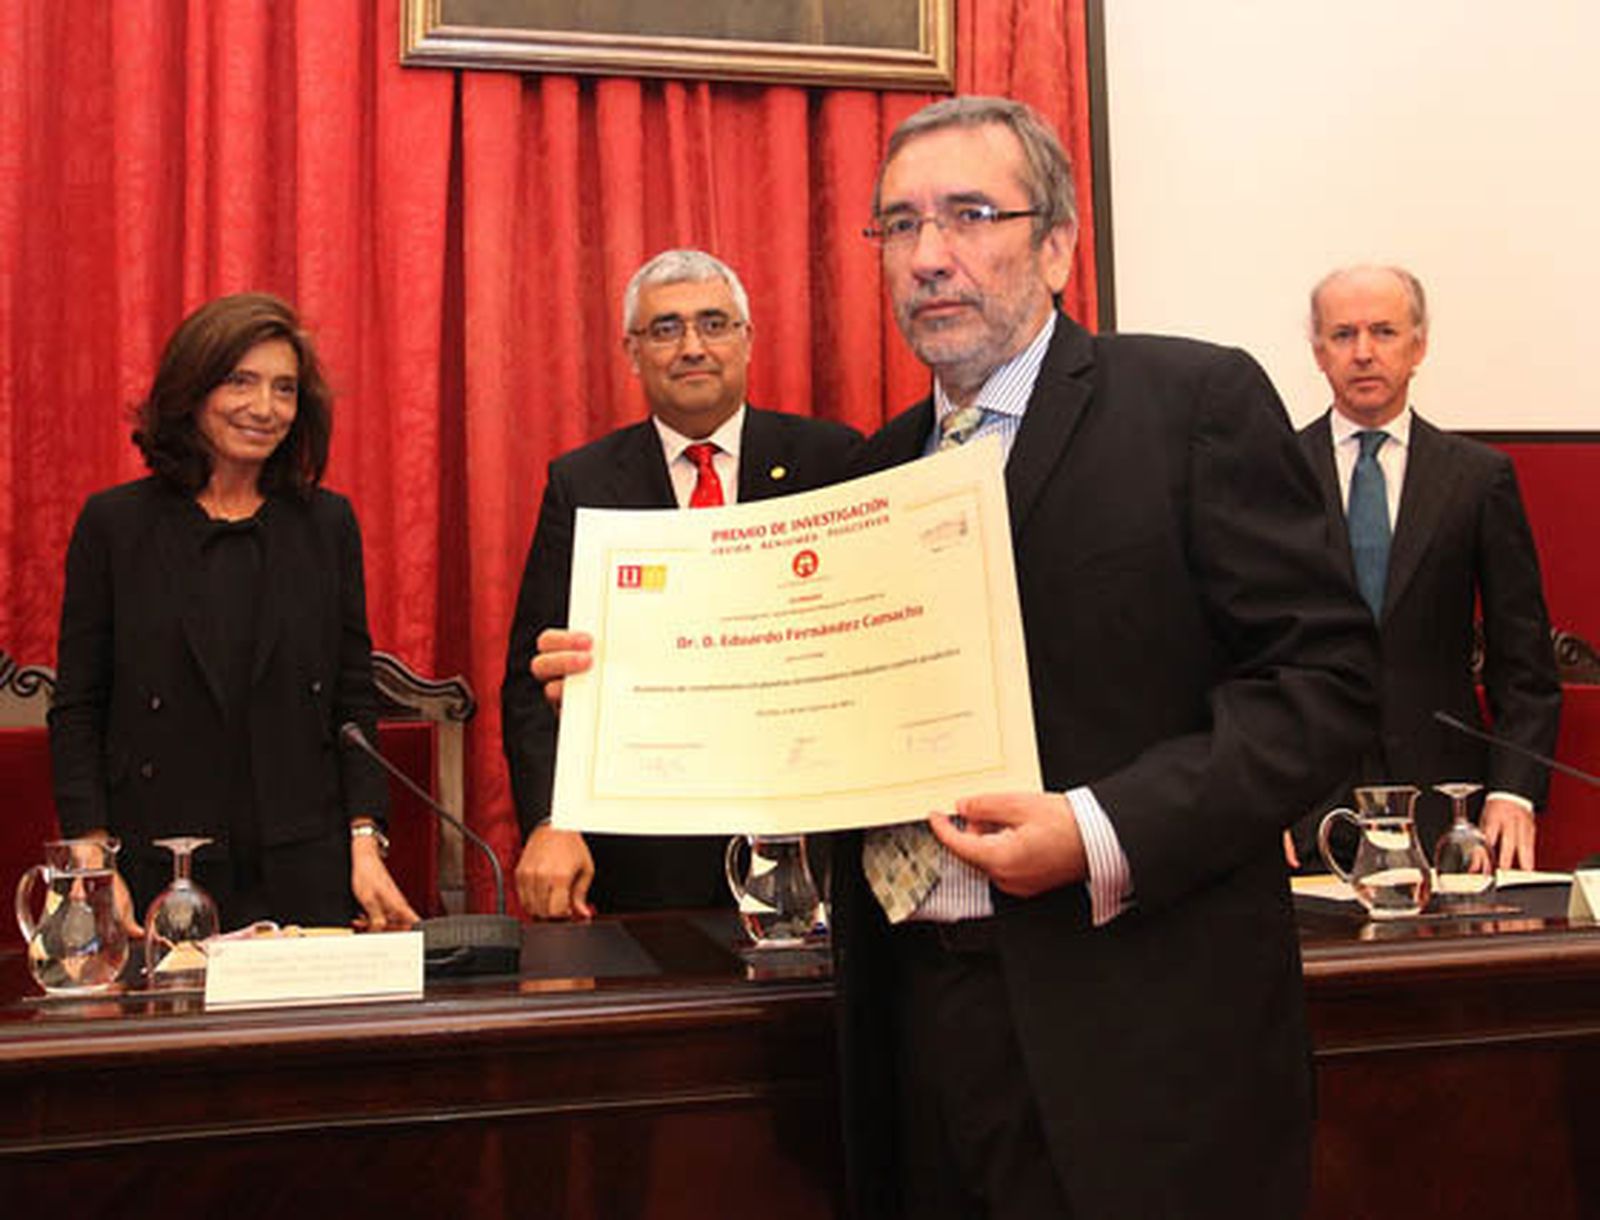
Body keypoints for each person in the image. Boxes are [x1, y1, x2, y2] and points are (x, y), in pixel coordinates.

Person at [532, 101, 1377, 1217]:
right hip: (912, 1032)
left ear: (1059, 245)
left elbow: (1324, 687)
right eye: (899, 225)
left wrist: (1094, 828)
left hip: (1134, 1043)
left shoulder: (1189, 402)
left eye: (970, 215)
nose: (929, 255)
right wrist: (631, 677)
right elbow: (814, 713)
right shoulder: (876, 467)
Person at [502, 249, 860, 921]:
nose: (692, 347)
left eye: (714, 323)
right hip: (644, 858)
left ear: (748, 340)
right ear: (633, 353)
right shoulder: (582, 484)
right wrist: (553, 818)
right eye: (665, 330)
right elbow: (532, 681)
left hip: (815, 847)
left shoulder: (831, 460)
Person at [49, 292, 418, 934]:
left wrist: (365, 843)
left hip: (305, 864)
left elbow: (352, 703)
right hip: (158, 870)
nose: (265, 408)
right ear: (192, 388)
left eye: (284, 388)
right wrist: (92, 858)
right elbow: (79, 706)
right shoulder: (115, 525)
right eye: (240, 381)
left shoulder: (326, 524)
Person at [1288, 265, 1561, 870]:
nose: (1363, 353)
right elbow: (1240, 651)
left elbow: (1527, 667)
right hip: (1304, 810)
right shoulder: (1272, 472)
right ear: (1317, 352)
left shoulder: (1477, 478)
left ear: (1419, 346)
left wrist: (1514, 790)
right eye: (1342, 335)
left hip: (1449, 811)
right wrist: (1253, 797)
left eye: (1384, 332)